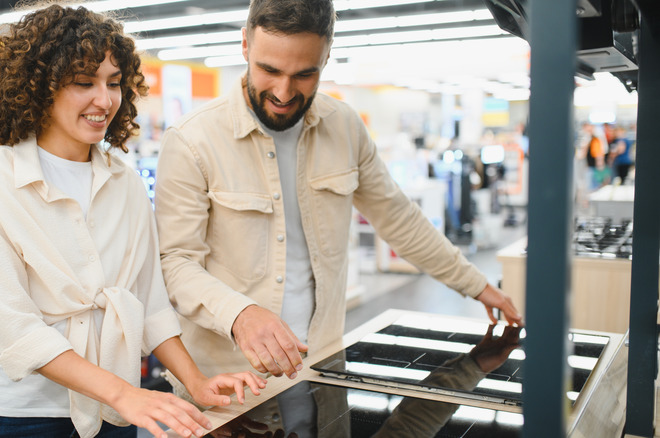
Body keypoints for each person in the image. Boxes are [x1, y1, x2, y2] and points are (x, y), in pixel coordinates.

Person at [153, 0, 522, 395]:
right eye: (269, 70)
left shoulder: (344, 126)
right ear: (245, 45)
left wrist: (476, 285)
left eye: (304, 74)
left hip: (322, 371)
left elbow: (398, 217)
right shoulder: (192, 141)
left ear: (327, 55)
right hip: (226, 384)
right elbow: (175, 263)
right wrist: (239, 314)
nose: (283, 92)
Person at [0, 5, 264, 438]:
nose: (105, 100)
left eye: (114, 83)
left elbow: (151, 303)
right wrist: (123, 394)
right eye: (84, 83)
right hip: (17, 415)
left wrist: (196, 382)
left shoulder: (126, 182)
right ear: (39, 86)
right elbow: (14, 329)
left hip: (113, 415)